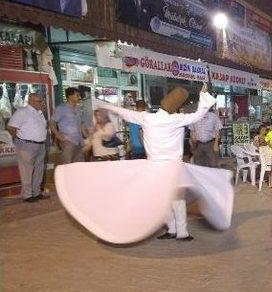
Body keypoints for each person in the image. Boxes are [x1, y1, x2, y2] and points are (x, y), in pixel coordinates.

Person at [54, 83, 234, 244]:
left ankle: (171, 229)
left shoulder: (147, 118)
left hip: (154, 167)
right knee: (176, 200)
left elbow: (125, 113)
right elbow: (199, 114)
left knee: (160, 199)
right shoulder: (176, 119)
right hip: (173, 166)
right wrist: (204, 95)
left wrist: (105, 105)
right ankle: (181, 232)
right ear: (177, 108)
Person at [7, 93, 48, 202]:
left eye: (42, 101)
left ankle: (36, 192)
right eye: (39, 101)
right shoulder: (22, 112)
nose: (42, 103)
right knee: (27, 171)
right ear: (31, 101)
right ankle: (27, 195)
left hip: (40, 145)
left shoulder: (39, 113)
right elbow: (11, 127)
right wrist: (18, 139)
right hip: (26, 145)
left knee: (39, 170)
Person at [50, 87, 87, 164]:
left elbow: (82, 124)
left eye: (79, 95)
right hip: (68, 141)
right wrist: (59, 136)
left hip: (79, 141)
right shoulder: (61, 108)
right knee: (67, 165)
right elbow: (51, 123)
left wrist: (88, 136)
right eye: (77, 95)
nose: (79, 97)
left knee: (79, 165)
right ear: (70, 96)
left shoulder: (79, 109)